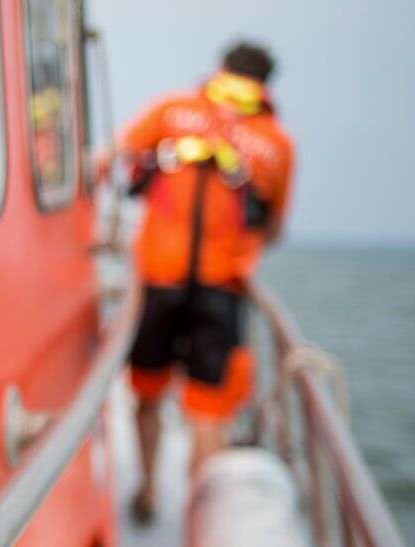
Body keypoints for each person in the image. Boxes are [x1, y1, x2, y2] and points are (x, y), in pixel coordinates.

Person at [112, 42, 295, 522]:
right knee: (208, 412)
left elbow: (122, 155)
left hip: (159, 280)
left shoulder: (174, 110)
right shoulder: (276, 145)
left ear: (220, 69)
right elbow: (273, 227)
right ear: (267, 85)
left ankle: (148, 491)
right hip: (222, 289)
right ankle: (200, 524)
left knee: (146, 392)